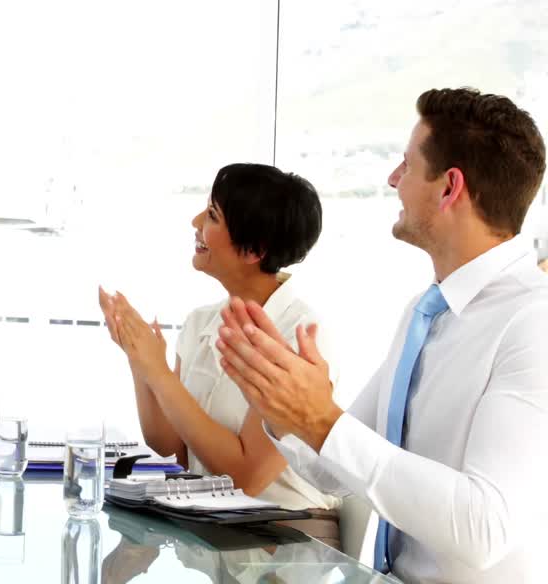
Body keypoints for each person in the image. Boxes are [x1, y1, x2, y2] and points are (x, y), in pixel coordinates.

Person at [216, 88, 548, 582]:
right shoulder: (426, 312)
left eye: (407, 166)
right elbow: (334, 471)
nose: (393, 179)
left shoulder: (532, 321)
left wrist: (323, 421)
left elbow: (485, 529)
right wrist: (283, 407)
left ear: (449, 187)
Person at [97, 163, 342, 547]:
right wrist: (139, 359)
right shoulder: (200, 323)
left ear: (255, 249)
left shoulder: (299, 337)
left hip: (289, 537)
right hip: (215, 531)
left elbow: (246, 477)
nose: (196, 221)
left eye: (212, 215)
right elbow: (173, 449)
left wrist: (158, 372)